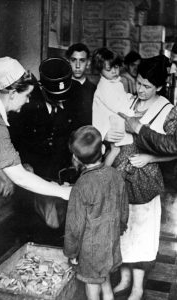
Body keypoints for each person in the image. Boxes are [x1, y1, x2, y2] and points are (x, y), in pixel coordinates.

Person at [0, 56, 71, 300]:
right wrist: (62, 191)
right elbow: (19, 176)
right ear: (12, 93)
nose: (26, 102)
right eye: (25, 96)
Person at [99, 55, 177, 300]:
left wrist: (150, 158)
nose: (141, 90)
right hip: (120, 176)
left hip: (144, 181)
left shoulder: (167, 110)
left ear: (160, 87)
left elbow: (174, 148)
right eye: (140, 83)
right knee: (123, 230)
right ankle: (124, 278)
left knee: (141, 235)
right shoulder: (130, 100)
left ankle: (138, 287)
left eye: (148, 86)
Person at [8, 57, 82, 229]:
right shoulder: (26, 101)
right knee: (35, 224)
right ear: (42, 88)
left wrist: (76, 156)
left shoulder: (76, 92)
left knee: (60, 224)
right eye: (56, 97)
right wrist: (23, 163)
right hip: (33, 172)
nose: (61, 101)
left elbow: (76, 129)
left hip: (62, 171)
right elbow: (13, 138)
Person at [64, 125, 129, 300]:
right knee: (105, 280)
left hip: (91, 250)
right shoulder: (116, 175)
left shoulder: (81, 186)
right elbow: (124, 210)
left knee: (92, 286)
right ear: (102, 149)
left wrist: (71, 252)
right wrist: (120, 227)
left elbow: (74, 226)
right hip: (111, 243)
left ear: (76, 157)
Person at [91, 47, 134, 147]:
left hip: (115, 126)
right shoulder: (104, 87)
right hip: (108, 130)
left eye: (116, 67)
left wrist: (129, 97)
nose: (114, 71)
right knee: (115, 150)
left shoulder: (115, 82)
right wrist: (133, 109)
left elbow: (120, 96)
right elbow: (120, 108)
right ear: (100, 70)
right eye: (109, 69)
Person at [66, 43, 96, 125]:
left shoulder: (95, 90)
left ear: (88, 63)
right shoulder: (62, 88)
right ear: (68, 62)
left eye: (82, 60)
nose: (78, 66)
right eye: (73, 60)